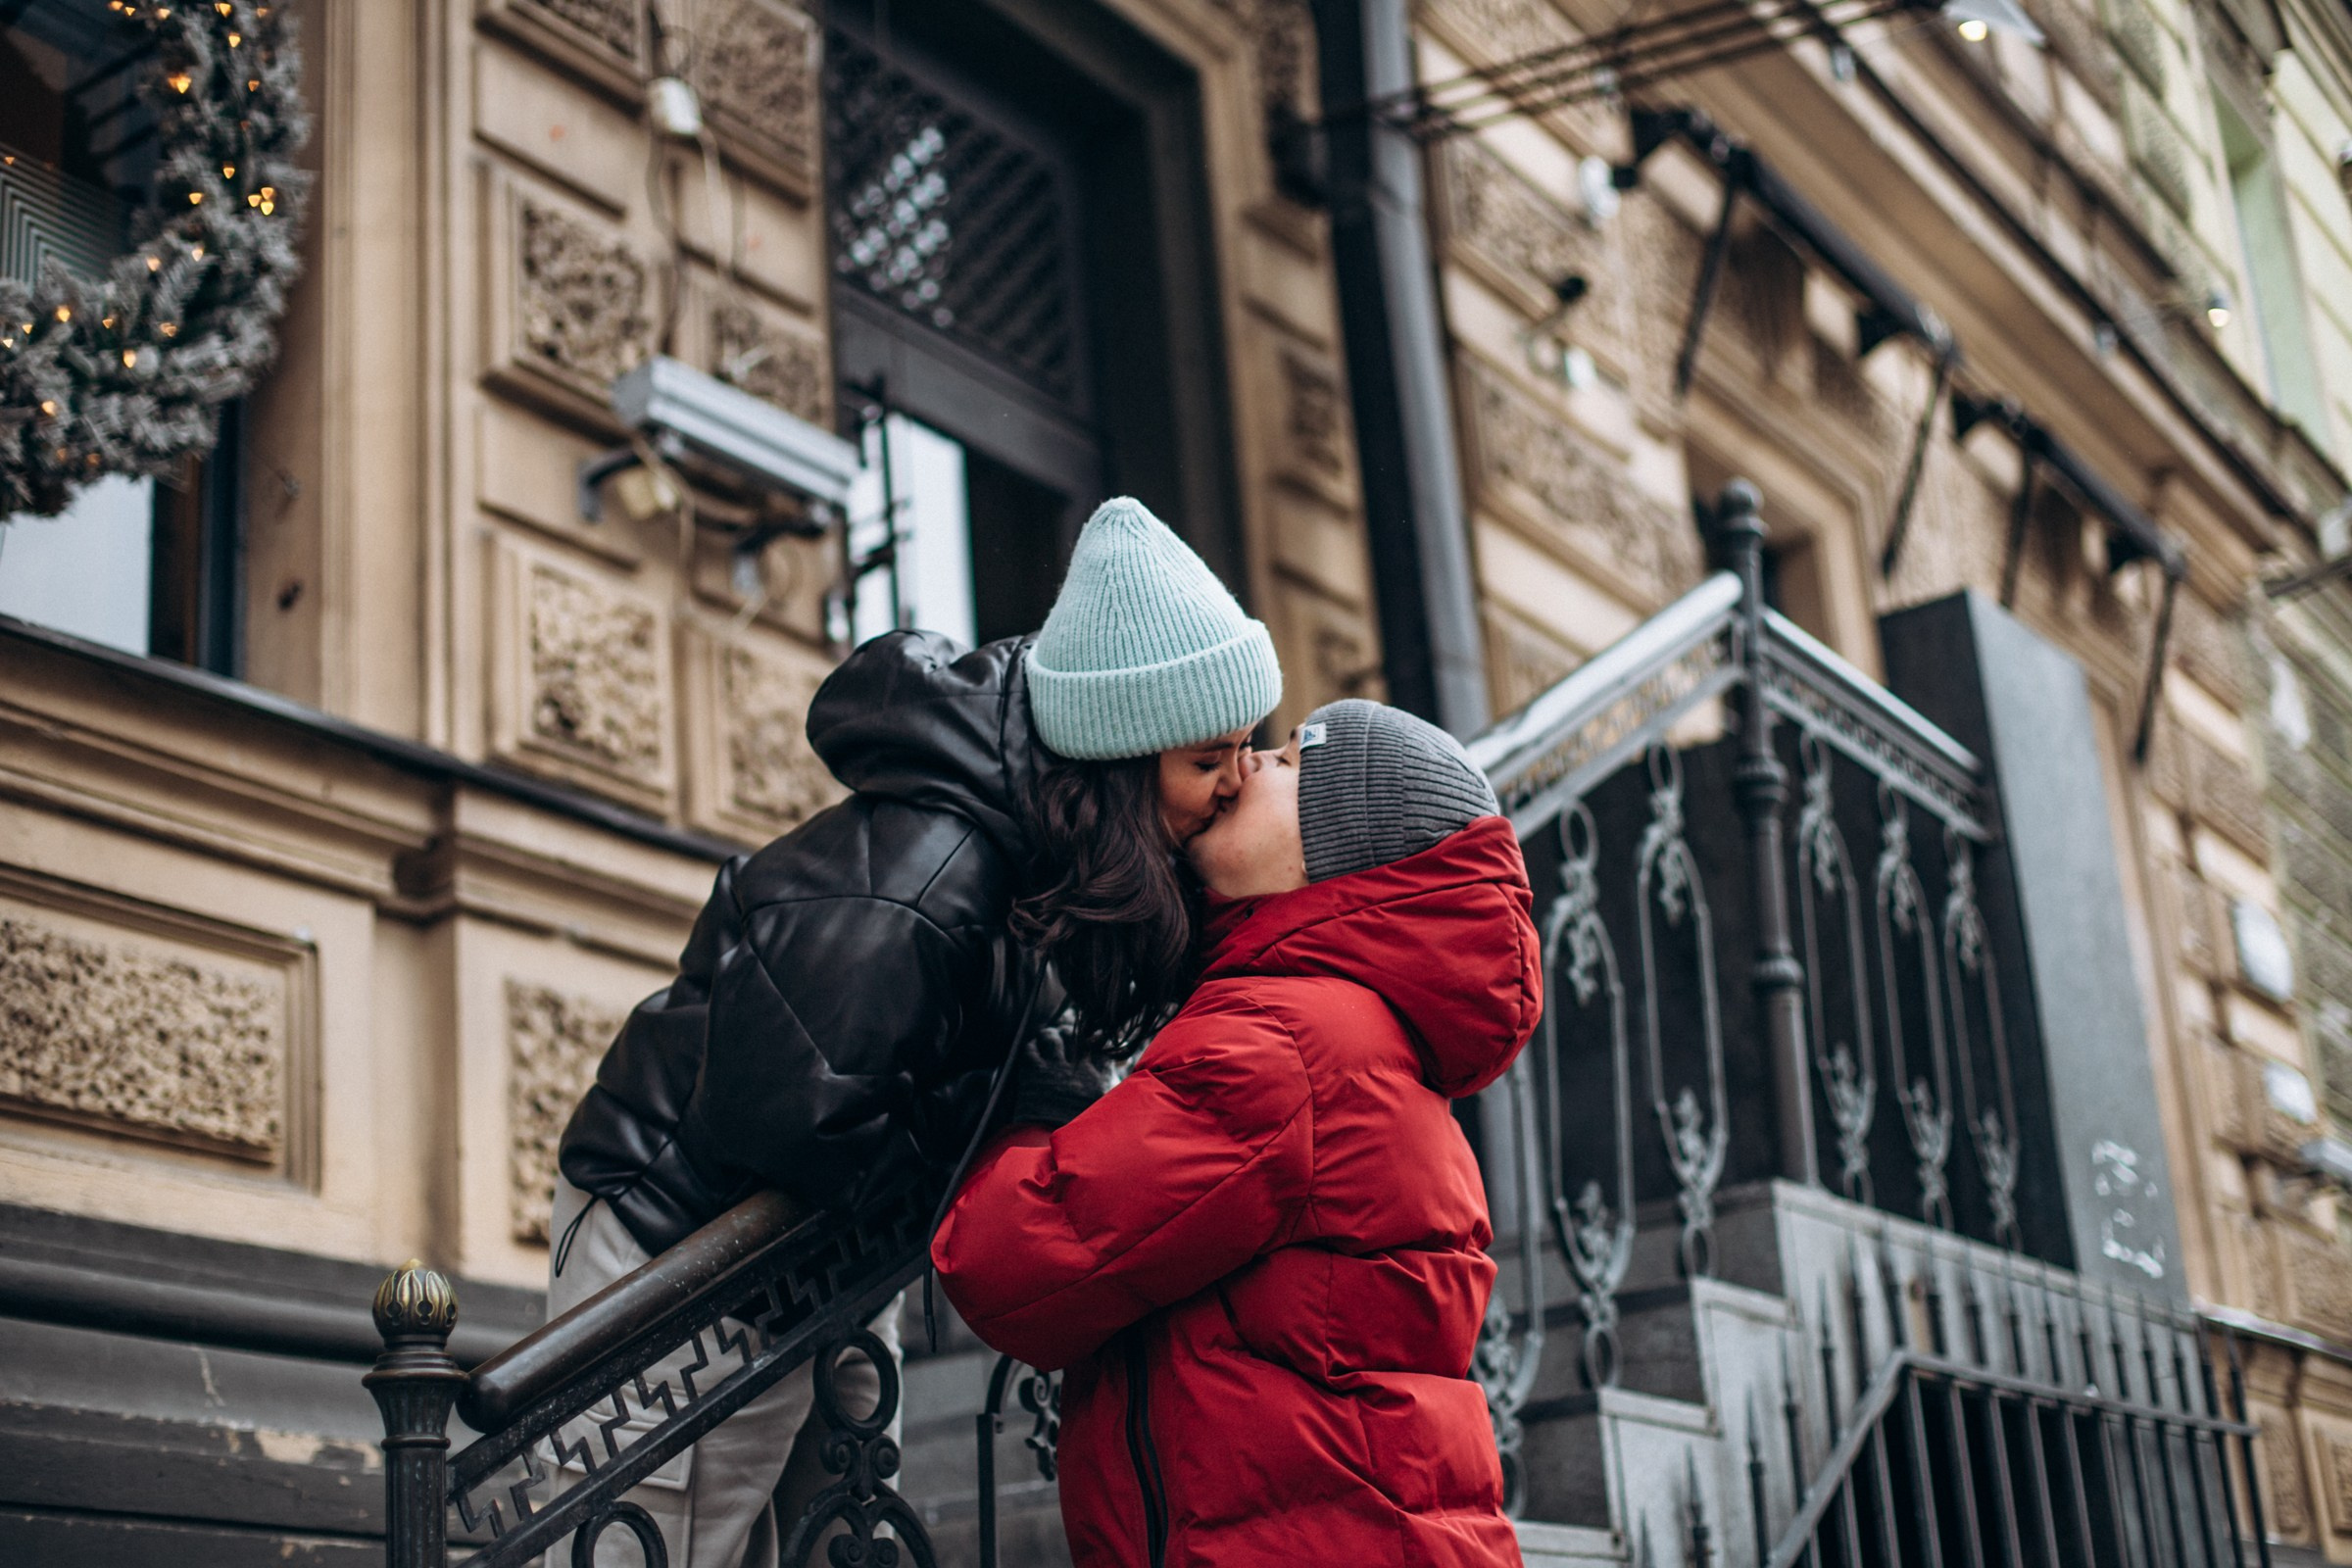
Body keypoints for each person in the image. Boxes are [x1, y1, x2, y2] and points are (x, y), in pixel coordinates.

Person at [542, 496, 1284, 1568]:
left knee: (846, 1539)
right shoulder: (929, 875)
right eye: (1210, 755)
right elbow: (791, 1110)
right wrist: (988, 1151)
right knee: (653, 1543)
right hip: (694, 1245)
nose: (1236, 781)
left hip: (822, 1255)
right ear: (1121, 757)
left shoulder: (1039, 852)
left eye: (1249, 748)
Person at [935, 699, 1542, 1568]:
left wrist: (1043, 1100)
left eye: (1290, 763)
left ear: (1326, 864)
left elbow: (1005, 1262)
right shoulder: (1344, 1035)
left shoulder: (1284, 1045)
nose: (1249, 763)